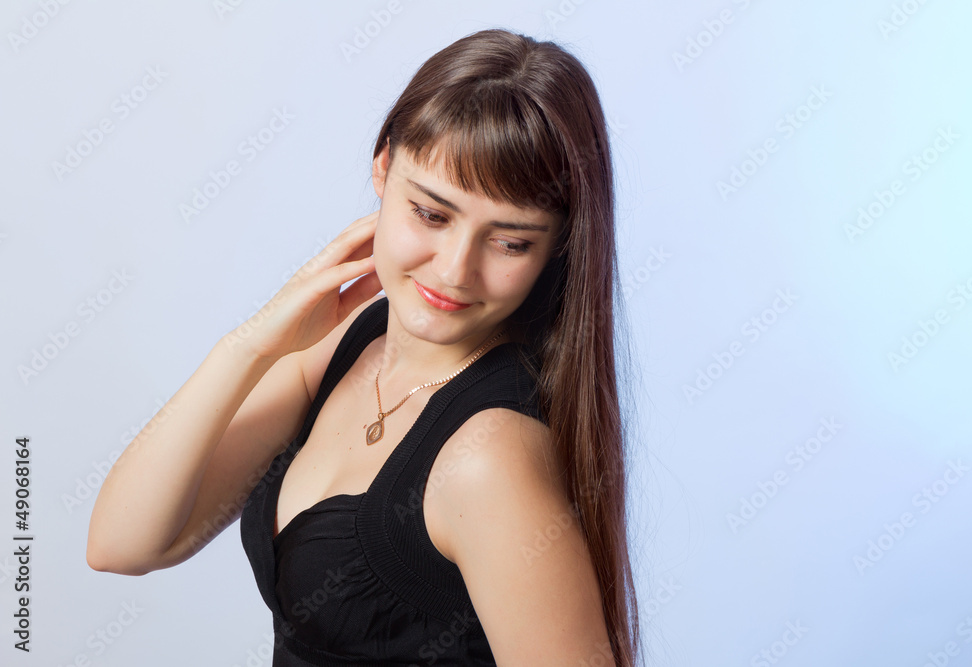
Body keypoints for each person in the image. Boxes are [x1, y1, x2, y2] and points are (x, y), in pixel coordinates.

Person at [87, 28, 641, 666]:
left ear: (557, 248)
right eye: (432, 214)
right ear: (383, 166)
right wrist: (250, 345)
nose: (456, 269)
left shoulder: (488, 460)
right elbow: (122, 546)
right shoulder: (344, 348)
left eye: (510, 242)